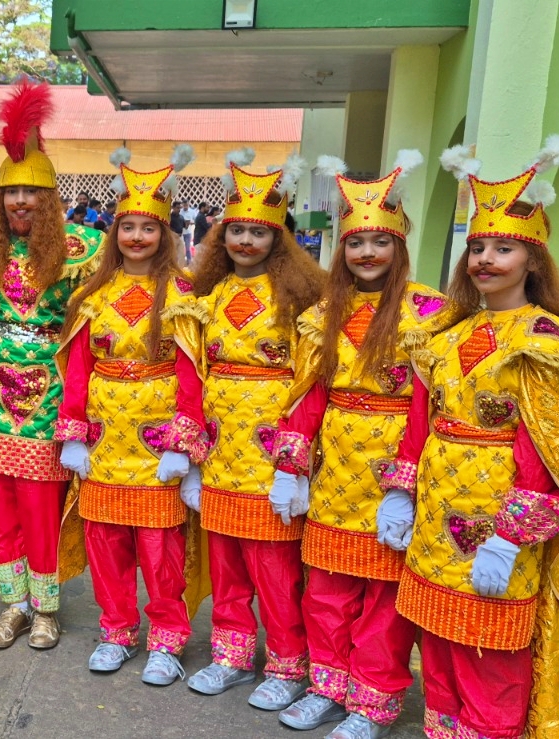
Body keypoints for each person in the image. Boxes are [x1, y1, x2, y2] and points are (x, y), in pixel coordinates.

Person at [381, 138, 559, 739]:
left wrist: (510, 537)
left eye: (503, 248)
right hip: (435, 509)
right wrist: (400, 492)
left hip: (498, 515)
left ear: (533, 261)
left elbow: (545, 450)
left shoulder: (544, 341)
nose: (485, 259)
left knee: (493, 654)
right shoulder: (447, 334)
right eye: (477, 247)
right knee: (440, 645)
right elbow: (419, 420)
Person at [268, 151, 453, 739]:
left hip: (394, 469)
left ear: (400, 246)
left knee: (383, 599)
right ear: (340, 248)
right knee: (325, 590)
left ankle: (372, 701)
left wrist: (404, 486)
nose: (367, 253)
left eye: (380, 242)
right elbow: (309, 394)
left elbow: (429, 405)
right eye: (355, 242)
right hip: (334, 470)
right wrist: (291, 467)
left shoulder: (431, 315)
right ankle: (327, 685)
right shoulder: (325, 313)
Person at [0, 79, 106, 651]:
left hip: (51, 388)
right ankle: (12, 605)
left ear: (51, 201)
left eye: (32, 194)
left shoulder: (83, 251)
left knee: (42, 505)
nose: (21, 203)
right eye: (11, 194)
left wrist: (81, 406)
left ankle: (46, 609)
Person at [54, 146, 207, 686]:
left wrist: (182, 446)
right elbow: (78, 367)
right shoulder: (94, 292)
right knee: (106, 542)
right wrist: (73, 435)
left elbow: (192, 375)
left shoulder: (184, 293)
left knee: (160, 550)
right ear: (114, 232)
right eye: (128, 227)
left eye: (148, 227)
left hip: (156, 442)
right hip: (102, 440)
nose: (137, 237)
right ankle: (116, 629)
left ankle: (167, 638)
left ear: (165, 235)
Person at [180, 148, 327, 709]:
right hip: (220, 451)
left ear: (279, 240)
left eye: (257, 233)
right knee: (227, 565)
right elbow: (192, 377)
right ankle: (232, 657)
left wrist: (294, 466)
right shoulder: (206, 297)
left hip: (271, 453)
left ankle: (288, 666)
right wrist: (192, 456)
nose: (244, 241)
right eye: (235, 230)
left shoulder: (302, 300)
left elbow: (310, 380)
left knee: (275, 571)